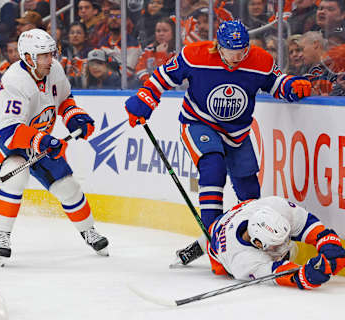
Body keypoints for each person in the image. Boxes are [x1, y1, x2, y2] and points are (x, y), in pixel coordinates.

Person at [124, 20, 311, 264]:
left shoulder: (260, 59)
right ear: (218, 46)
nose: (237, 56)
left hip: (238, 132)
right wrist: (145, 98)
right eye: (231, 50)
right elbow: (163, 77)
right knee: (213, 167)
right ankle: (213, 240)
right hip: (198, 123)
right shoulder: (194, 55)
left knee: (249, 191)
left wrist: (292, 86)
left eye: (242, 50)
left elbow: (275, 83)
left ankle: (247, 238)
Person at [0, 29, 109, 265]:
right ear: (28, 58)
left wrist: (75, 117)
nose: (51, 59)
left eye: (51, 53)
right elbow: (11, 133)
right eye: (44, 55)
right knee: (15, 175)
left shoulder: (54, 69)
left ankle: (89, 231)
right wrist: (45, 141)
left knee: (67, 186)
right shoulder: (15, 82)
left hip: (35, 135)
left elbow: (65, 100)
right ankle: (1, 236)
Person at [189, 195, 345, 290]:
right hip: (218, 248)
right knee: (218, 266)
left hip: (237, 213)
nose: (284, 246)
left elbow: (308, 225)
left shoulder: (274, 206)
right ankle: (192, 250)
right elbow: (277, 273)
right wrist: (303, 276)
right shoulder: (241, 260)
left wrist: (328, 243)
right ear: (258, 243)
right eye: (277, 244)